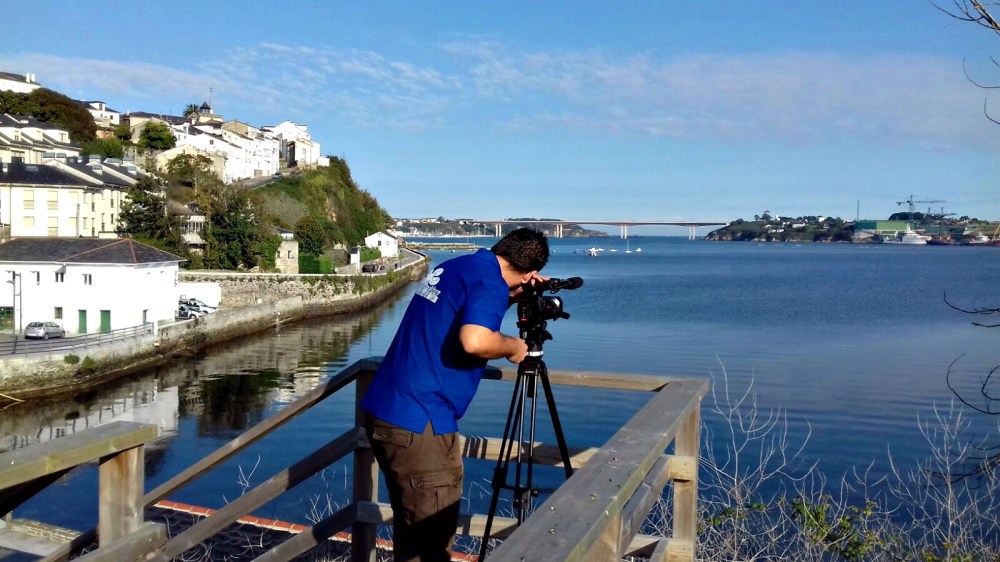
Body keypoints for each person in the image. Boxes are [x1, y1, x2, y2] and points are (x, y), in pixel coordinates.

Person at [360, 227, 550, 562]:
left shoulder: (458, 267)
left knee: (412, 533)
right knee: (431, 546)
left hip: (385, 411)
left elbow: (465, 311)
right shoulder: (489, 283)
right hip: (421, 423)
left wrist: (513, 295)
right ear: (531, 273)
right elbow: (474, 341)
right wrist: (512, 346)